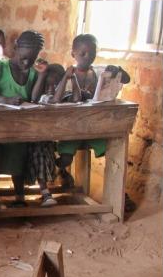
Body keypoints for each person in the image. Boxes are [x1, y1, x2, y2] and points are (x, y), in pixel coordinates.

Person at [54, 33, 131, 188]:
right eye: (83, 53)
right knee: (65, 159)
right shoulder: (68, 75)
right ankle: (61, 171)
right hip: (71, 129)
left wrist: (118, 69)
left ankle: (119, 191)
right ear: (73, 54)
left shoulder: (99, 72)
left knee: (113, 151)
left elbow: (126, 79)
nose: (88, 57)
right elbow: (57, 98)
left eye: (92, 53)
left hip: (95, 128)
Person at [0, 30, 47, 209]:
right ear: (16, 47)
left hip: (22, 124)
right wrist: (6, 100)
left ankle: (20, 195)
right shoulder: (0, 66)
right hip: (0, 123)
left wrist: (41, 75)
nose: (26, 62)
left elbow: (34, 99)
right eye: (23, 57)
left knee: (20, 155)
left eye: (31, 59)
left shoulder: (33, 72)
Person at [24, 63, 67, 207]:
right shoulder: (42, 97)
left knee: (51, 159)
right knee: (40, 158)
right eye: (47, 85)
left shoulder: (64, 96)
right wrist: (42, 75)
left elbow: (58, 99)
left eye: (55, 85)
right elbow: (41, 98)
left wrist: (67, 79)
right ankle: (45, 193)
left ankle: (60, 178)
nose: (50, 89)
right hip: (35, 139)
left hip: (49, 139)